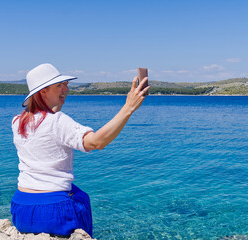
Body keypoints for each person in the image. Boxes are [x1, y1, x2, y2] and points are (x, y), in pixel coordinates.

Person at [10, 63, 150, 237]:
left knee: (77, 192)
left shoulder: (17, 122)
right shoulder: (57, 121)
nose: (65, 90)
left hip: (20, 209)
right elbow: (96, 142)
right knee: (82, 200)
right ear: (43, 92)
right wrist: (128, 108)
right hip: (50, 213)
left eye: (66, 85)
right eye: (59, 86)